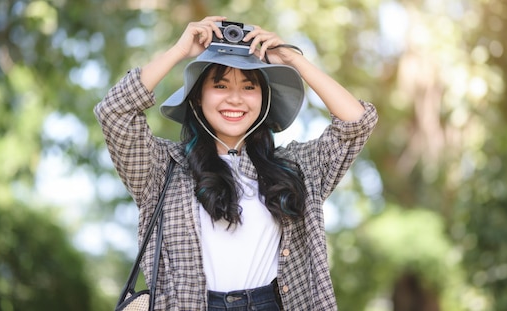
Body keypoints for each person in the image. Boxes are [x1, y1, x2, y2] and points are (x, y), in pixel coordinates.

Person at [95, 16, 378, 311]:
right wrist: (179, 51)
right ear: (197, 99)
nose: (235, 99)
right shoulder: (162, 167)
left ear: (263, 99)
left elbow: (356, 123)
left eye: (248, 87)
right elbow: (115, 112)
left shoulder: (296, 167)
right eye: (220, 85)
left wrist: (291, 59)